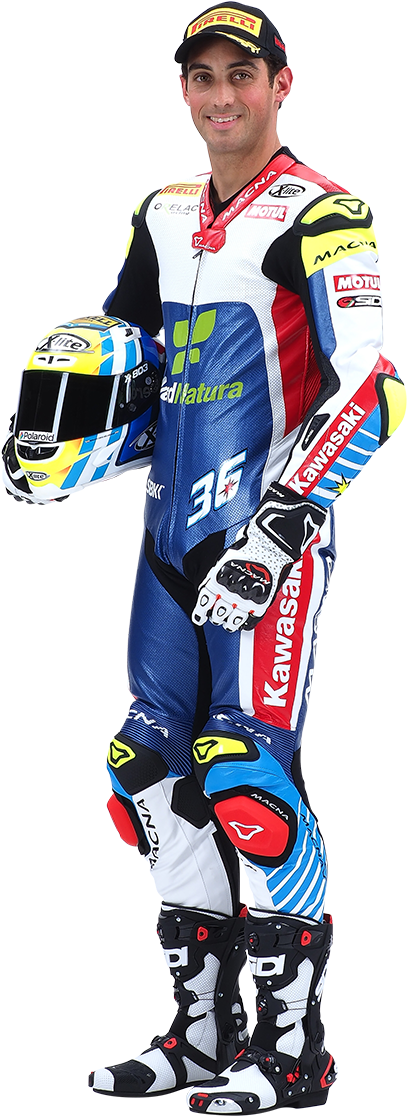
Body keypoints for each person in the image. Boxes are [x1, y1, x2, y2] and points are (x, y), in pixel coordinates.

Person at [83, 5, 405, 1111]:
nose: (221, 96)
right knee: (145, 770)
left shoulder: (327, 214)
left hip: (267, 541)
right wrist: (62, 438)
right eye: (202, 77)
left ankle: (294, 1051)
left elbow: (371, 386)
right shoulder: (160, 210)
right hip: (164, 539)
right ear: (182, 89)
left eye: (241, 75)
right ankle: (200, 1035)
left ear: (280, 83)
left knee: (244, 774)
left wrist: (278, 528)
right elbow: (129, 355)